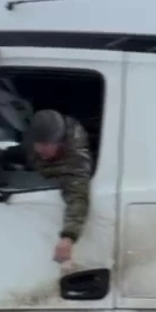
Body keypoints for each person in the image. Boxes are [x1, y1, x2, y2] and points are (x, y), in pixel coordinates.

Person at [23, 109, 92, 271]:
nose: (42, 150)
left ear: (60, 142)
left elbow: (78, 197)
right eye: (39, 144)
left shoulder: (75, 157)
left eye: (48, 145)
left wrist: (68, 237)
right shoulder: (37, 135)